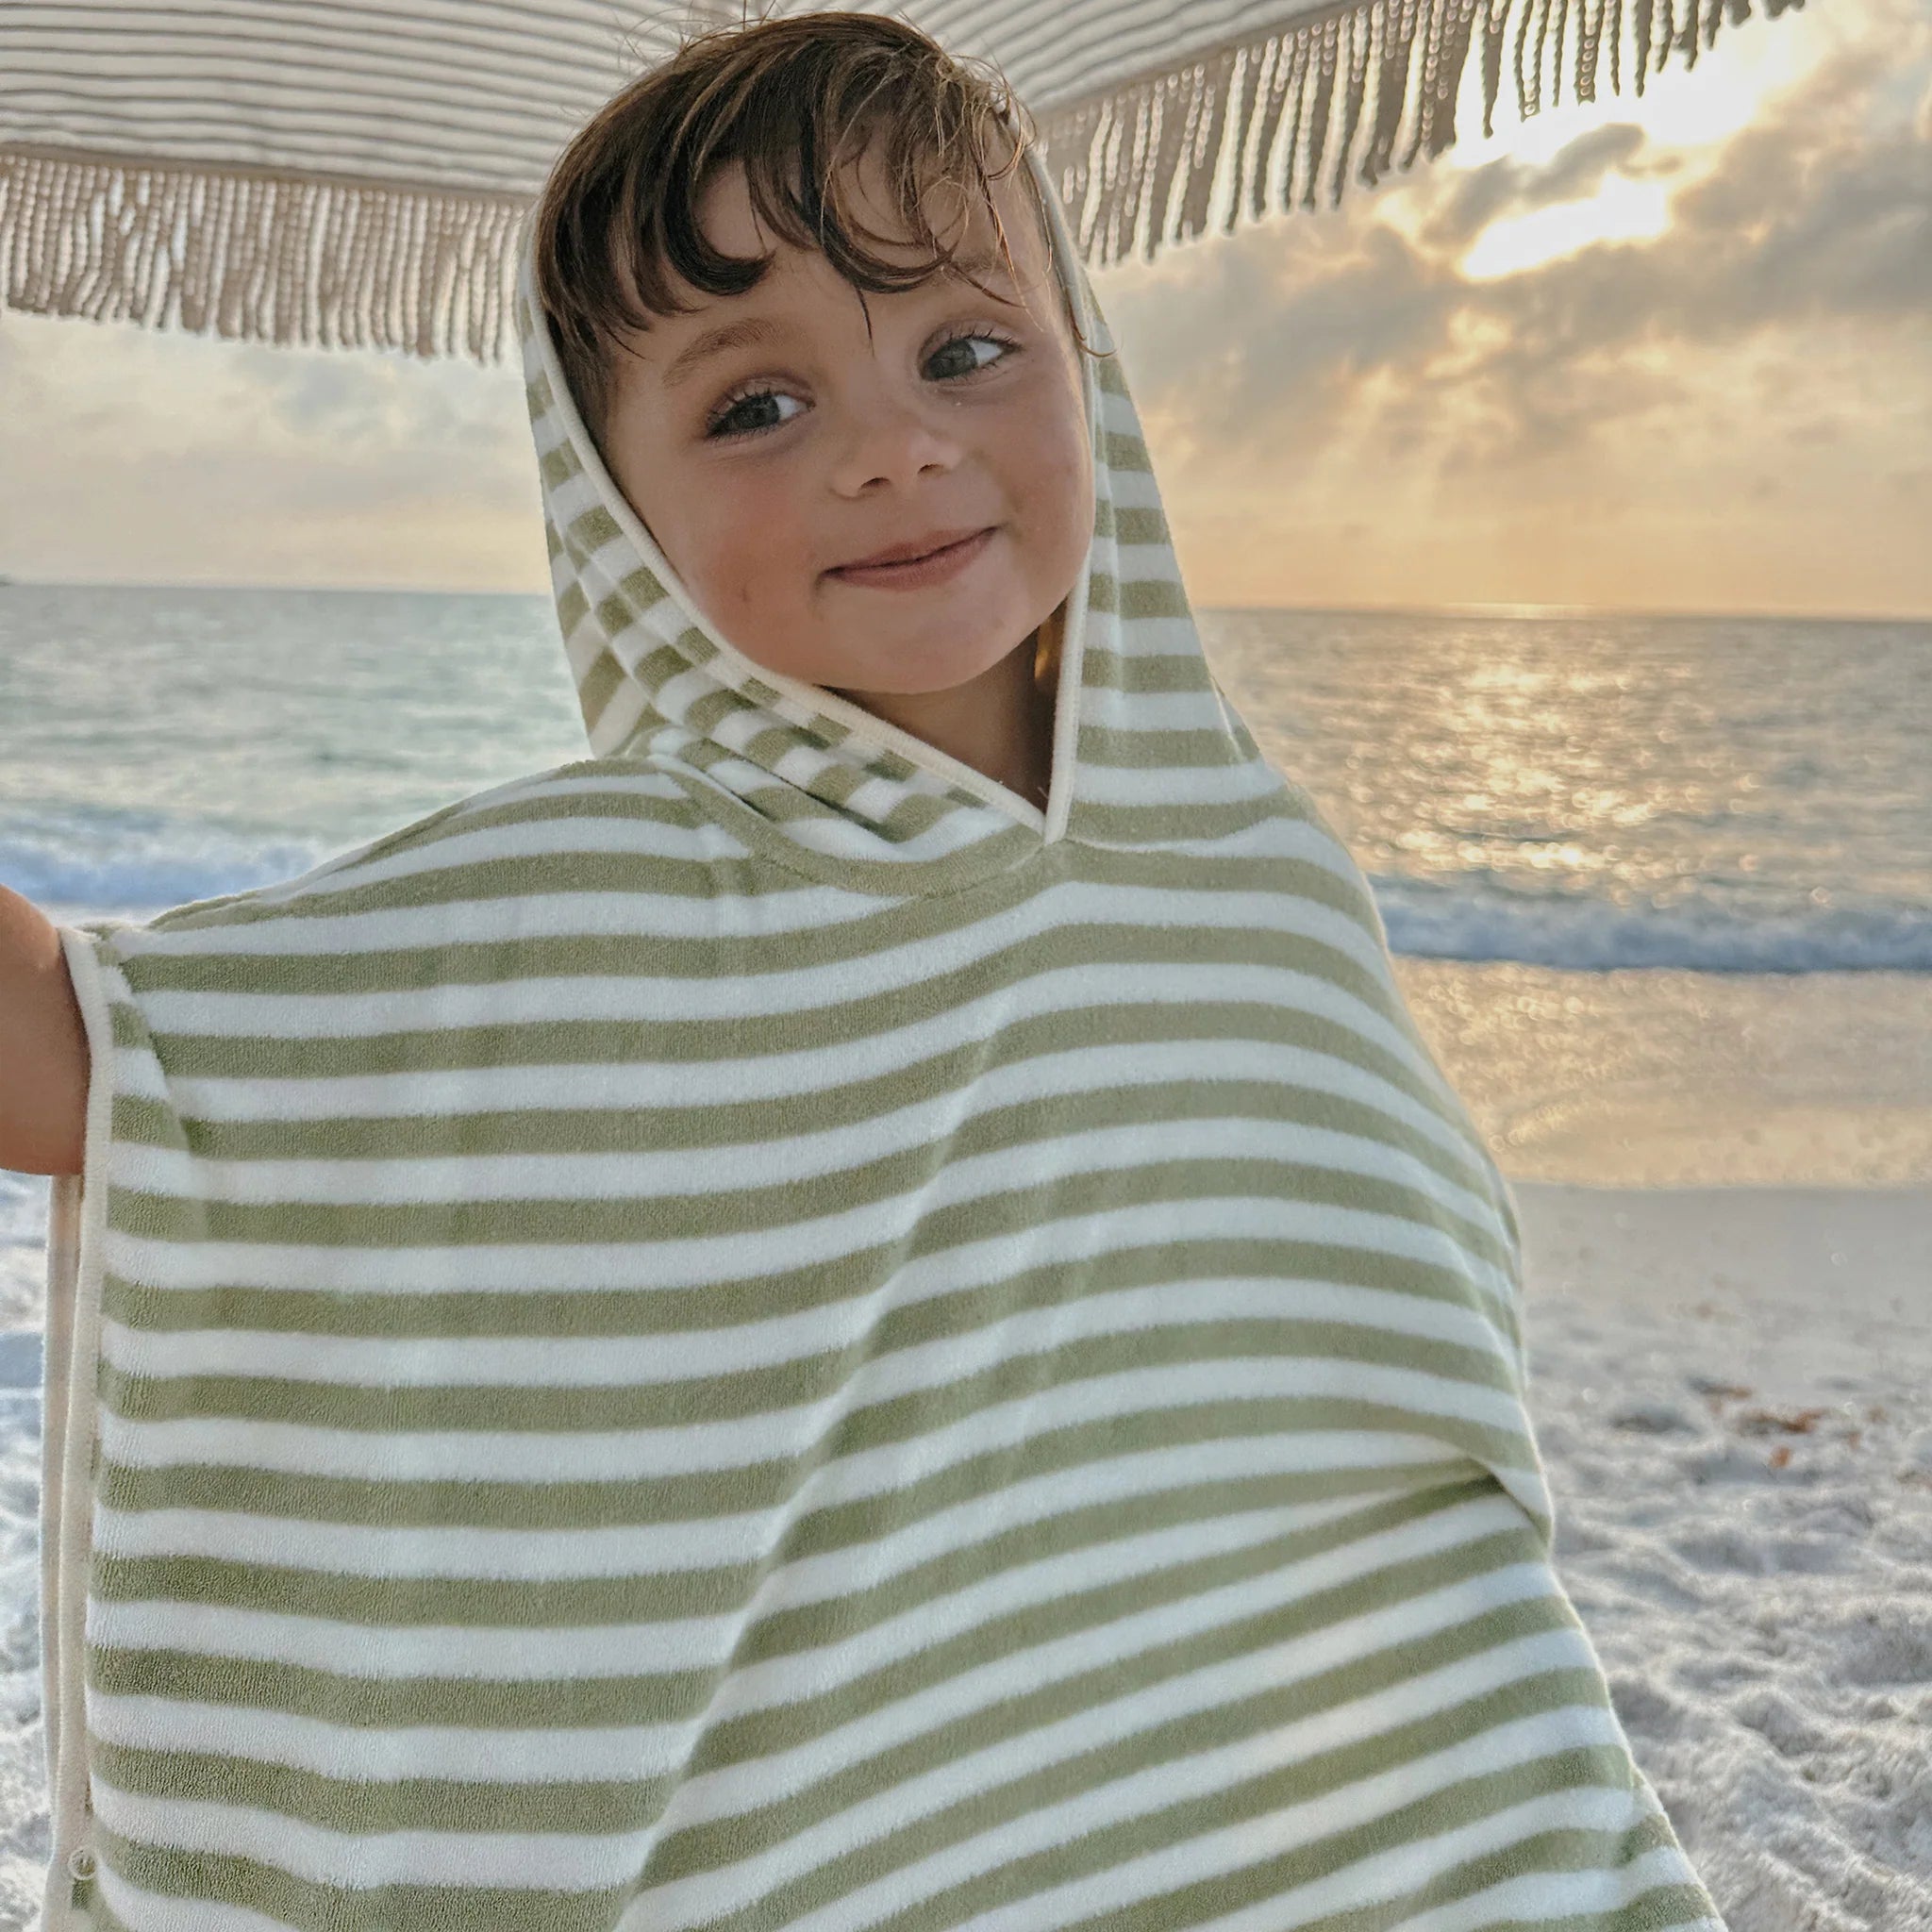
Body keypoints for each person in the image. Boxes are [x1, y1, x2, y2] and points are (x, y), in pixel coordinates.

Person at [2, 13, 1728, 1930]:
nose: (894, 446)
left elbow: (1373, 1393)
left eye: (966, 348)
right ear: (612, 519)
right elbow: (93, 1062)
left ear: (1091, 372)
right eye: (757, 406)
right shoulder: (598, 904)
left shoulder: (1255, 869)